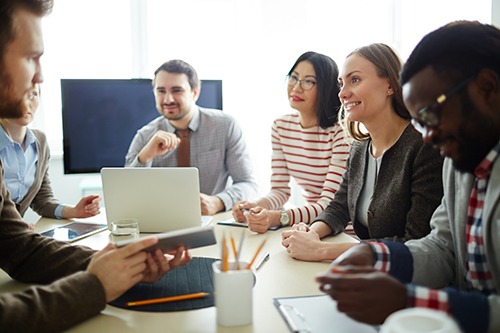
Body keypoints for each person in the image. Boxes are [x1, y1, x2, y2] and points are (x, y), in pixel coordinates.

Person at [0, 1, 190, 331]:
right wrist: (95, 285)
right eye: (31, 57)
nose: (40, 76)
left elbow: (16, 246)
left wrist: (119, 264)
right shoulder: (144, 133)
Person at [316, 21, 500, 333]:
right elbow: (443, 247)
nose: (427, 137)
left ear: (486, 87)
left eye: (429, 116)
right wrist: (376, 254)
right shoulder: (462, 163)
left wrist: (408, 301)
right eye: (419, 121)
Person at [282, 43, 443, 261]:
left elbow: (415, 241)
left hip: (407, 280)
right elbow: (338, 208)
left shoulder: (423, 147)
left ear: (390, 85)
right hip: (370, 272)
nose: (342, 93)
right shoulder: (359, 148)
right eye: (341, 84)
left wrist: (321, 250)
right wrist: (310, 233)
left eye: (354, 80)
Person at [231, 51, 350, 233]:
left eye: (309, 81)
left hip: (341, 230)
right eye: (294, 78)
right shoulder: (281, 127)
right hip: (308, 227)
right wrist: (254, 207)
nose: (296, 87)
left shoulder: (340, 132)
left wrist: (278, 217)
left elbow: (330, 205)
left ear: (325, 87)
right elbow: (280, 191)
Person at [125, 59, 258, 216]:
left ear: (195, 92)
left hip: (213, 220)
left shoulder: (225, 125)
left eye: (176, 90)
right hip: (160, 221)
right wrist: (145, 156)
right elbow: (127, 195)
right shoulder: (145, 135)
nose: (168, 99)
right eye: (161, 91)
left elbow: (248, 184)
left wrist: (219, 202)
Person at [0, 83, 100, 229]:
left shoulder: (40, 142)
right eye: (18, 95)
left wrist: (74, 211)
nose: (26, 102)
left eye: (33, 94)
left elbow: (42, 199)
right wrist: (15, 227)